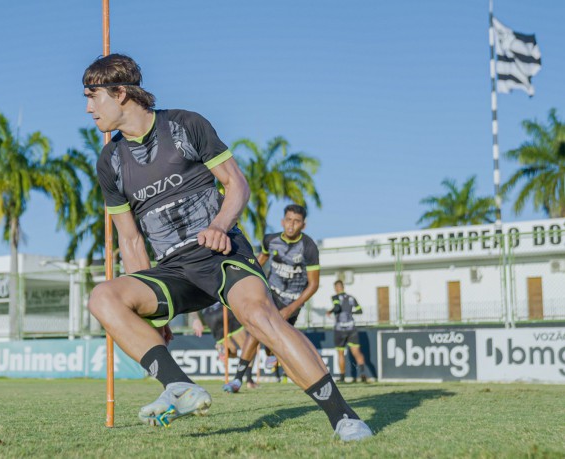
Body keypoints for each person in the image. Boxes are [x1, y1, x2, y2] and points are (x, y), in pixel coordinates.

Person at [83, 53, 372, 440]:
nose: (88, 108)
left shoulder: (185, 125)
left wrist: (220, 225)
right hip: (171, 270)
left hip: (220, 253)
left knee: (259, 316)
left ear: (120, 93)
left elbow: (237, 184)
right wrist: (158, 318)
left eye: (93, 96)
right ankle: (180, 387)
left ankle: (344, 417)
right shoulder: (110, 160)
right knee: (103, 297)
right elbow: (131, 239)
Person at [222, 204, 321, 392]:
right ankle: (237, 380)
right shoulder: (270, 240)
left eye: (297, 221)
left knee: (277, 337)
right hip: (270, 293)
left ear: (303, 225)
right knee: (255, 330)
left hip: (292, 301)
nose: (292, 225)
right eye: (289, 220)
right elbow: (259, 262)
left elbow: (314, 284)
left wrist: (292, 308)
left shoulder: (308, 247)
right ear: (283, 221)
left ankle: (274, 356)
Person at [191, 303, 258, 388]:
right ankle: (249, 380)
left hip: (210, 315)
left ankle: (222, 349)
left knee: (233, 352)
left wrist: (196, 319)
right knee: (247, 348)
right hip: (225, 309)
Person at [328, 280, 371, 383]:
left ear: (336, 288)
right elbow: (360, 310)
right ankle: (363, 374)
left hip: (340, 329)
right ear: (343, 287)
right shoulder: (351, 298)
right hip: (352, 328)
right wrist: (350, 312)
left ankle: (342, 377)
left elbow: (337, 307)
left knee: (341, 353)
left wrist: (330, 311)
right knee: (356, 352)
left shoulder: (335, 297)